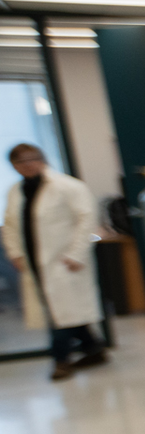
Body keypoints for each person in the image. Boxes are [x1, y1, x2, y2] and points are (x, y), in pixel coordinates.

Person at [3, 143, 107, 380]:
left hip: (65, 262)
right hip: (35, 263)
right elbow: (9, 225)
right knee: (62, 311)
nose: (28, 164)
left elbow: (87, 219)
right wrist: (15, 253)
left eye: (32, 158)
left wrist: (76, 254)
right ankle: (94, 348)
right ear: (14, 166)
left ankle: (61, 360)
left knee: (59, 314)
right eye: (20, 162)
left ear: (43, 159)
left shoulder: (67, 186)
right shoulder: (15, 191)